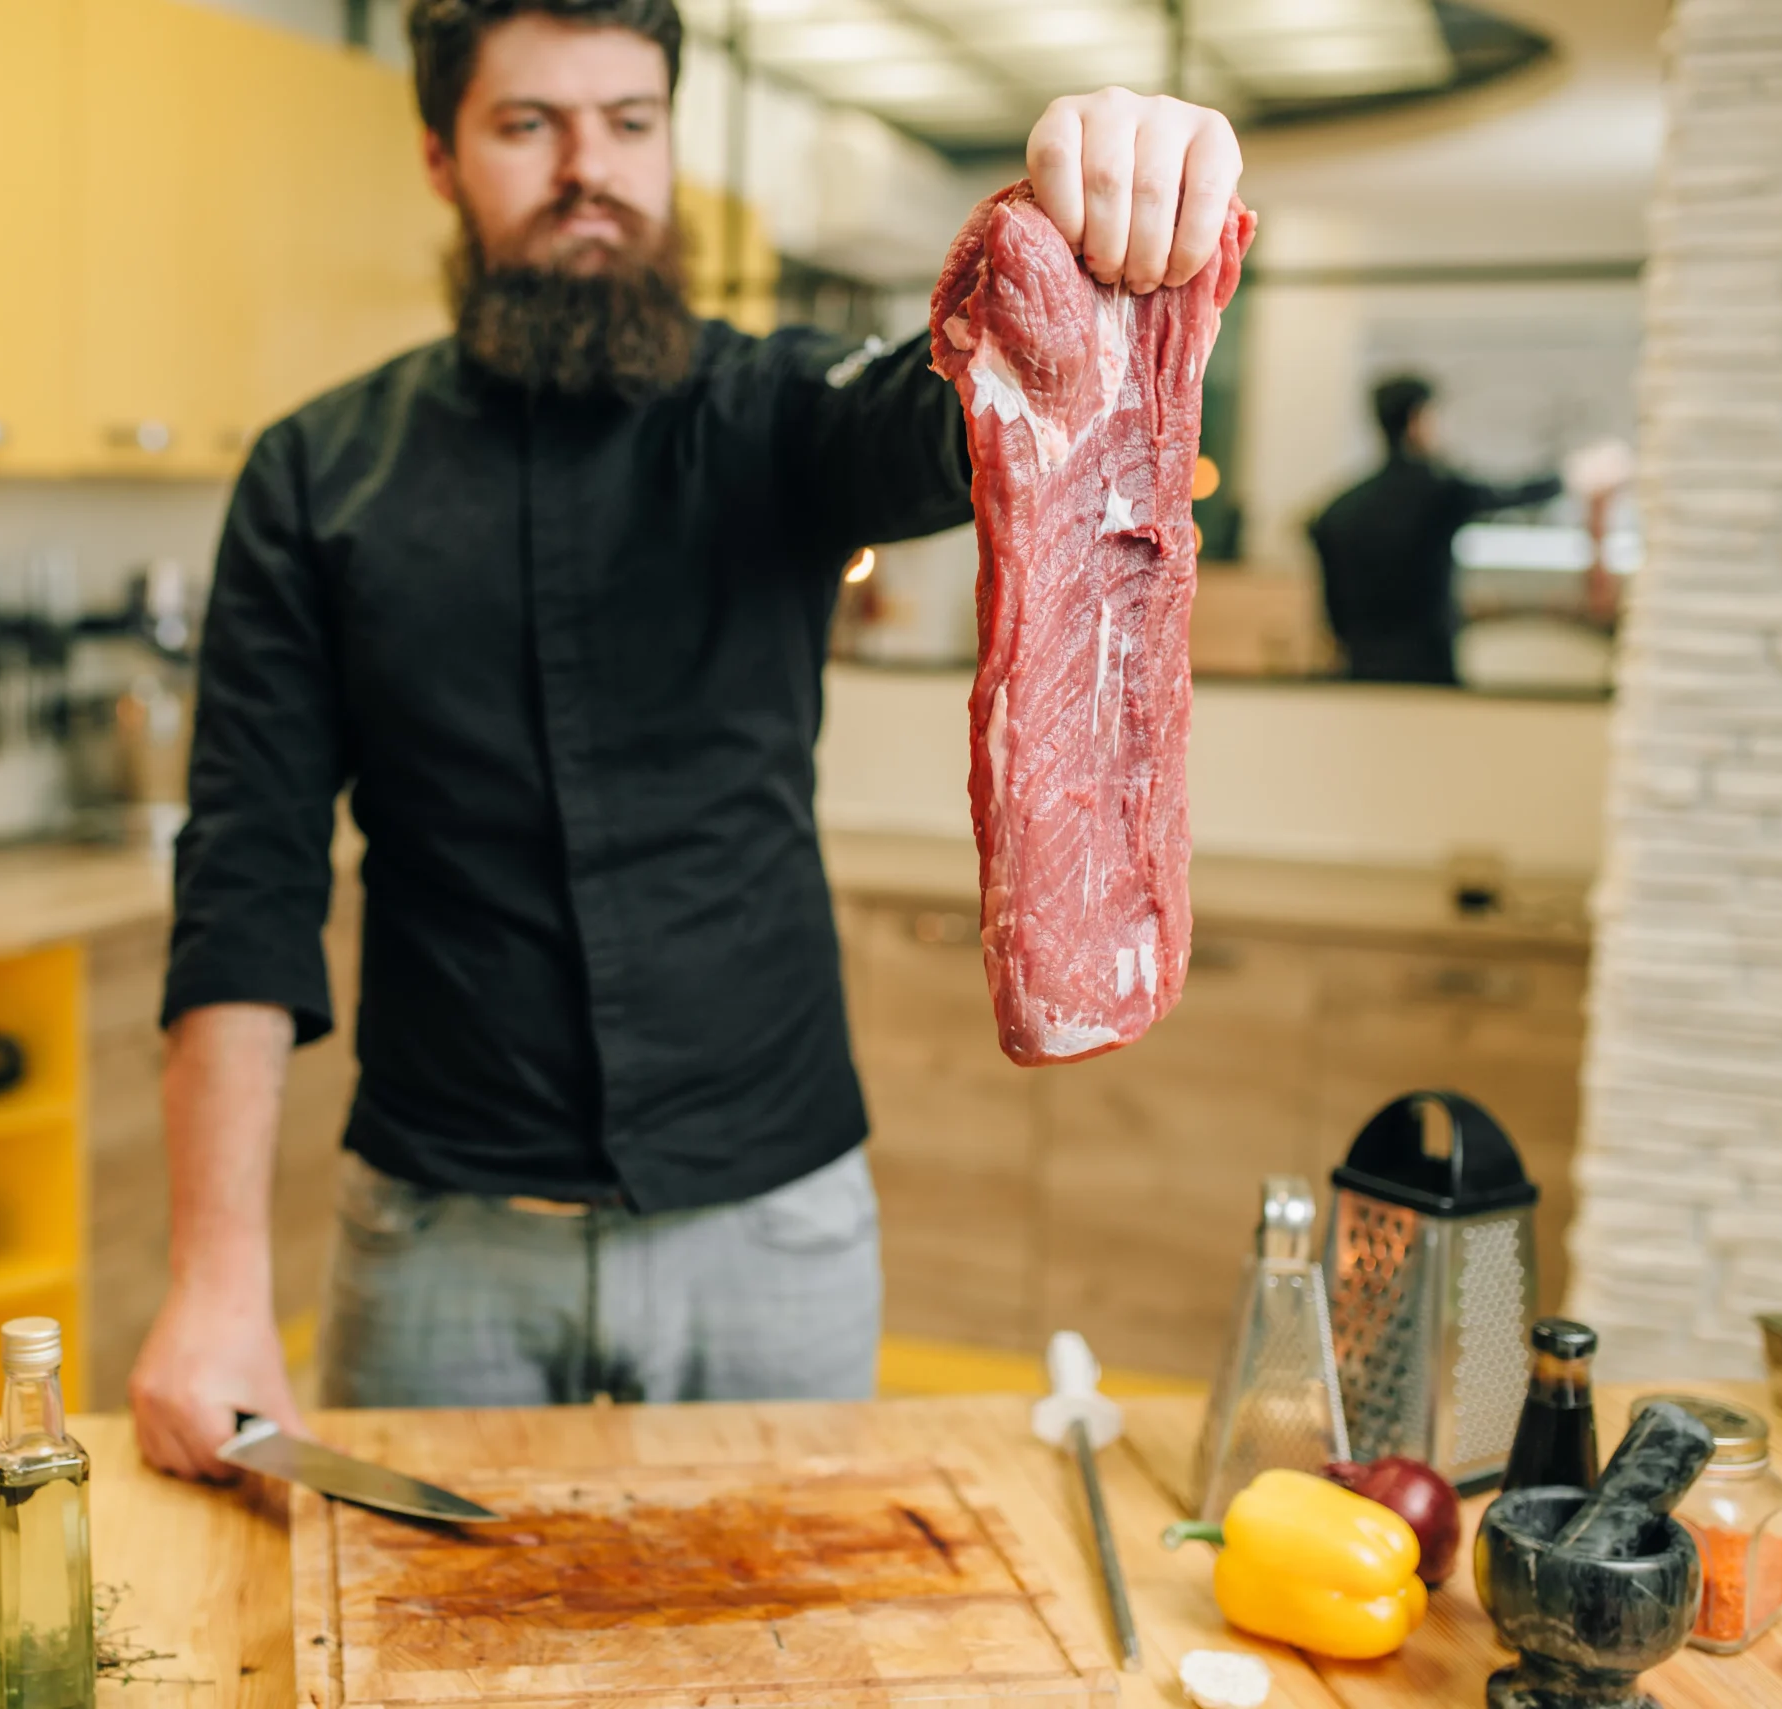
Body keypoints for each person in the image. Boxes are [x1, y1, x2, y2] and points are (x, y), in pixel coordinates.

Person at [127, 0, 1246, 1480]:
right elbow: (247, 881)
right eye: (531, 125)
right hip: (443, 1238)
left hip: (771, 1227)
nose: (592, 167)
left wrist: (1070, 220)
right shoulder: (313, 475)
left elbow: (936, 410)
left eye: (631, 122)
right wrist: (213, 1286)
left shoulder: (777, 409)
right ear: (439, 156)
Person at [1309, 374, 1567, 687]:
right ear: (1418, 420)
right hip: (1428, 671)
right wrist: (1568, 475)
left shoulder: (1339, 510)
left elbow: (1332, 609)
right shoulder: (1439, 491)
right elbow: (1514, 495)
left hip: (1360, 670)